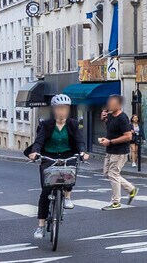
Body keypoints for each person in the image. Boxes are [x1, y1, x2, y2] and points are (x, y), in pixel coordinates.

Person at [23, 94, 85, 243]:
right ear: (54, 109)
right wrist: (35, 152)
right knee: (45, 192)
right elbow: (39, 141)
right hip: (48, 156)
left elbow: (79, 141)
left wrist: (82, 152)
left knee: (70, 174)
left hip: (67, 155)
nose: (62, 111)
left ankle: (67, 197)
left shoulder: (73, 124)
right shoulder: (47, 124)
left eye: (65, 108)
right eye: (59, 108)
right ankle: (41, 225)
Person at [97, 94, 137, 209]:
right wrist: (103, 118)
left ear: (119, 105)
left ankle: (116, 202)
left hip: (119, 151)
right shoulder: (110, 116)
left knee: (113, 174)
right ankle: (131, 189)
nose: (109, 105)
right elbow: (110, 129)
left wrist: (110, 142)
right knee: (107, 173)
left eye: (112, 103)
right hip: (110, 149)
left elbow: (128, 136)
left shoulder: (123, 118)